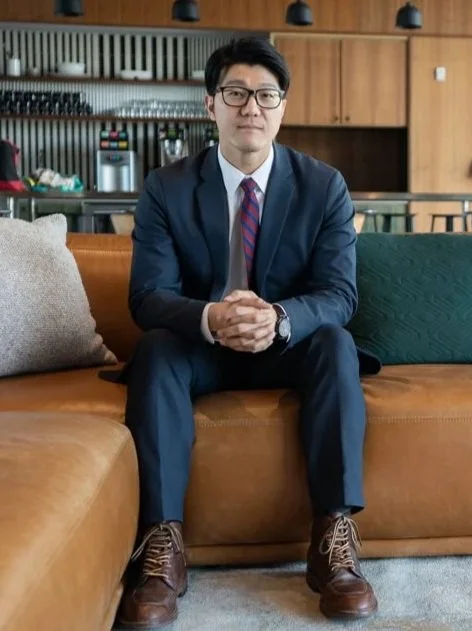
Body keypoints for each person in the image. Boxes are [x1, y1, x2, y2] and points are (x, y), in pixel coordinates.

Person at [113, 37, 381, 629]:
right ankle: (161, 549)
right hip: (199, 348)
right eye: (236, 93)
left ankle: (333, 541)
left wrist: (279, 319)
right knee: (154, 348)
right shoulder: (168, 187)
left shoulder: (324, 186)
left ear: (283, 106)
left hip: (287, 348)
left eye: (265, 95)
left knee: (335, 341)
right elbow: (147, 296)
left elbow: (339, 294)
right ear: (211, 105)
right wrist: (211, 318)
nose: (251, 107)